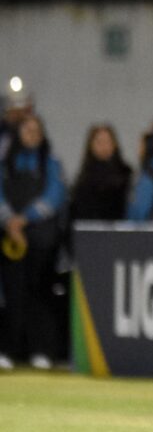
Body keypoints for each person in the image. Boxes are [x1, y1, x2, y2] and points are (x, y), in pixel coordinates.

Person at [0, 114, 67, 371]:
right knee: (13, 294)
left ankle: (42, 350)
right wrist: (10, 221)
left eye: (36, 130)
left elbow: (55, 195)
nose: (32, 134)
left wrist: (25, 219)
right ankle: (9, 349)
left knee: (40, 294)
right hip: (11, 239)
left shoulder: (49, 161)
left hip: (41, 239)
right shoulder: (7, 161)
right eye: (27, 130)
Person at [70, 124, 133, 221]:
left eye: (107, 141)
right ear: (91, 146)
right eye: (99, 142)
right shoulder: (83, 180)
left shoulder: (126, 174)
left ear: (114, 144)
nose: (104, 146)